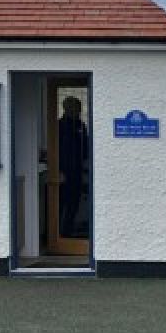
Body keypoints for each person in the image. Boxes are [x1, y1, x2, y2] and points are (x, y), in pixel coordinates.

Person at [58, 96, 89, 236]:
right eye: (76, 108)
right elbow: (55, 149)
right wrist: (58, 170)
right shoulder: (58, 126)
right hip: (62, 171)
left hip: (77, 171)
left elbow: (85, 148)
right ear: (67, 109)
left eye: (79, 108)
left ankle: (67, 232)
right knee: (60, 203)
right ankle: (56, 234)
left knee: (74, 203)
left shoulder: (81, 125)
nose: (79, 111)